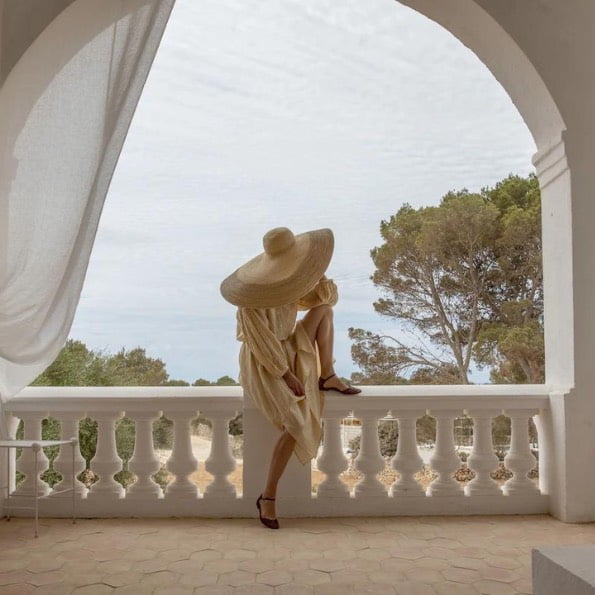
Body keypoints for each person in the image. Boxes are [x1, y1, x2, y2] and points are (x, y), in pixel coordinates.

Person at [220, 226, 361, 529]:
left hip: (289, 345)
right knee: (294, 422)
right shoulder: (251, 299)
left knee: (324, 311)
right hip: (265, 360)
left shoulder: (287, 284)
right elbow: (260, 342)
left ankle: (329, 375)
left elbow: (325, 298)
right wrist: (284, 374)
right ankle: (268, 496)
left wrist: (315, 274)